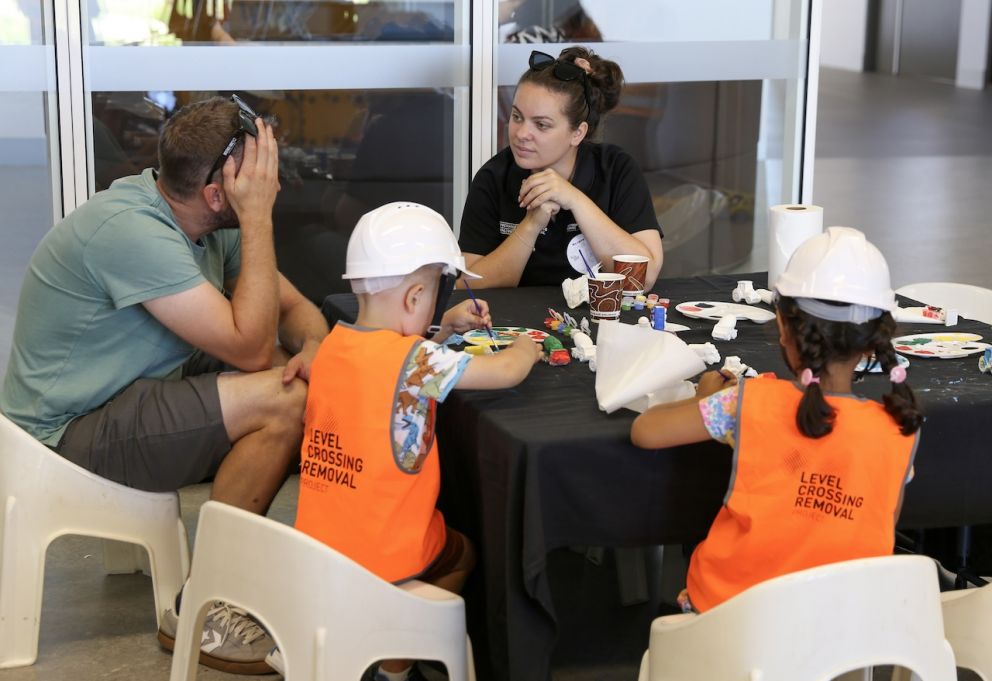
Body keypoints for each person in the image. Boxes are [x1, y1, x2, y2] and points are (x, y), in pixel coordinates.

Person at [0, 95, 329, 673]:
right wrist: (257, 219)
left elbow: (294, 310)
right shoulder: (131, 231)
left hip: (130, 389)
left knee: (289, 371)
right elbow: (248, 344)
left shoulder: (203, 219)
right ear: (215, 193)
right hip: (61, 437)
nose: (270, 183)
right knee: (284, 399)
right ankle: (208, 605)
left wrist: (316, 350)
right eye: (255, 174)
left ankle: (250, 571)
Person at [279, 202, 541, 681]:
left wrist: (443, 330)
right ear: (415, 296)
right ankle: (397, 663)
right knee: (463, 551)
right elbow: (503, 371)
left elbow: (396, 373)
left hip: (319, 554)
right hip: (383, 557)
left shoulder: (333, 344)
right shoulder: (415, 359)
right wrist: (528, 346)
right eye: (434, 298)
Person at [630, 227, 922, 613]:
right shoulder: (898, 430)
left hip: (728, 624)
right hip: (842, 637)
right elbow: (877, 526)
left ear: (784, 327)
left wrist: (710, 399)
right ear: (874, 342)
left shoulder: (746, 403)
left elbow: (645, 431)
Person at [459, 46, 663, 289]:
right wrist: (531, 224)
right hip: (516, 325)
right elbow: (467, 286)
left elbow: (643, 278)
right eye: (516, 117)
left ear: (578, 133)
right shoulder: (494, 177)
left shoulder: (616, 170)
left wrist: (573, 198)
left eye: (541, 125)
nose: (522, 134)